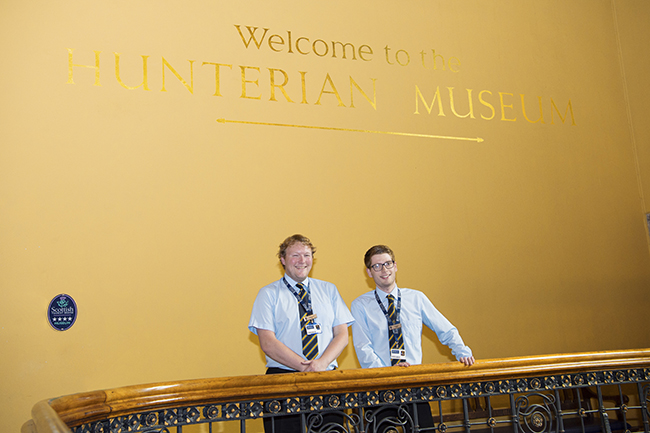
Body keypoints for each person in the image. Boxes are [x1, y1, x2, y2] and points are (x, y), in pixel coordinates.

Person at [351, 245, 474, 432]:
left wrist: (462, 351)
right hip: (380, 387)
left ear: (395, 266)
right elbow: (363, 346)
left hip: (414, 384)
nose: (384, 270)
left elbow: (445, 328)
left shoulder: (416, 298)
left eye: (387, 264)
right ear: (369, 272)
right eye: (377, 266)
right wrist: (387, 373)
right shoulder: (360, 305)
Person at [249, 234, 355, 433]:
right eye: (295, 255)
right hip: (283, 379)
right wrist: (304, 366)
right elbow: (268, 342)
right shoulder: (268, 294)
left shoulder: (329, 290)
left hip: (325, 377)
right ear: (283, 260)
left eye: (306, 255)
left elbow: (342, 334)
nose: (302, 261)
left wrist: (321, 364)